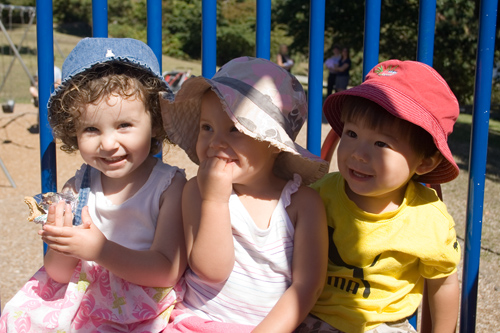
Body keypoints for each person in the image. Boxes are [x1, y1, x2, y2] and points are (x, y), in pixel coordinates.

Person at [0, 38, 187, 332]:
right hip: (85, 301)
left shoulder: (169, 186)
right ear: (73, 131)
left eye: (124, 125)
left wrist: (100, 250)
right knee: (17, 316)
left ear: (155, 120)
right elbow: (58, 274)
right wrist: (64, 246)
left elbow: (167, 271)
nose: (109, 144)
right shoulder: (77, 187)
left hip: (144, 309)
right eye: (91, 128)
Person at [160, 56, 329, 332]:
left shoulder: (302, 204)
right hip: (198, 322)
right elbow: (210, 270)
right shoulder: (197, 190)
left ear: (273, 143)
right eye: (207, 128)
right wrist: (214, 200)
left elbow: (308, 285)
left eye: (235, 129)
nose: (215, 142)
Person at [297, 59, 462, 333]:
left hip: (385, 326)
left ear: (424, 163)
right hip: (312, 316)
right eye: (351, 133)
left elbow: (443, 283)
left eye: (381, 143)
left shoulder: (428, 219)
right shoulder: (319, 195)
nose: (357, 153)